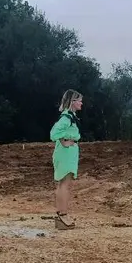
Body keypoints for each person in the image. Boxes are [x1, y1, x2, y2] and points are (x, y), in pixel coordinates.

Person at [49, 89, 83, 230]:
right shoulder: (66, 118)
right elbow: (54, 133)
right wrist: (64, 140)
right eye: (80, 100)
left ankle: (62, 215)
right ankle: (62, 215)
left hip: (68, 153)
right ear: (72, 102)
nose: (82, 103)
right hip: (65, 153)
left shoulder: (70, 117)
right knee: (64, 184)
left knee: (63, 184)